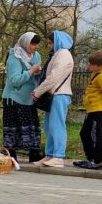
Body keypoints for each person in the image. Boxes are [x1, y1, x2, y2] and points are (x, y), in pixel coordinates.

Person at [30, 31, 74, 167]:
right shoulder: (57, 55)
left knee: (57, 126)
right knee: (49, 127)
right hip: (54, 95)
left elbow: (53, 78)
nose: (48, 45)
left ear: (58, 42)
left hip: (59, 94)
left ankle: (58, 156)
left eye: (50, 42)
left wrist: (38, 92)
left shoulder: (64, 55)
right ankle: (49, 155)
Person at [1, 32, 44, 163]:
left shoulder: (36, 56)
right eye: (32, 44)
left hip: (29, 98)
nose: (35, 47)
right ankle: (12, 156)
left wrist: (39, 74)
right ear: (25, 43)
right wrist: (31, 71)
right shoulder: (15, 56)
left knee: (32, 127)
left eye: (37, 44)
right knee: (13, 128)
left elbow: (37, 76)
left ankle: (34, 154)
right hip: (14, 98)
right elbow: (14, 80)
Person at [75, 49, 102, 170]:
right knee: (85, 133)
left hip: (100, 110)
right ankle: (90, 158)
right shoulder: (98, 74)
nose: (89, 65)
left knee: (95, 135)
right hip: (93, 109)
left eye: (91, 64)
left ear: (101, 66)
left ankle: (96, 161)